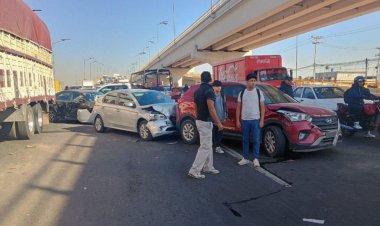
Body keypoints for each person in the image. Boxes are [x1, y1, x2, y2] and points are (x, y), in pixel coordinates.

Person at [188, 71, 223, 179]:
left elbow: (195, 107)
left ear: (202, 79)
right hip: (206, 122)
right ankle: (194, 170)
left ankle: (208, 167)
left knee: (208, 145)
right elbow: (211, 108)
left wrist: (198, 118)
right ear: (210, 79)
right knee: (205, 147)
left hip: (200, 120)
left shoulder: (197, 91)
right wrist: (218, 123)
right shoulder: (209, 91)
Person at [236, 71, 265, 167]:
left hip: (256, 120)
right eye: (251, 80)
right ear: (247, 82)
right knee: (245, 139)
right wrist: (237, 120)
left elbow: (262, 107)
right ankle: (245, 158)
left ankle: (256, 158)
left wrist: (261, 120)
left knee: (256, 140)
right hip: (245, 120)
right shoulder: (242, 93)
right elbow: (238, 107)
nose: (253, 82)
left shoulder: (258, 92)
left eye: (254, 81)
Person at [212, 80, 227, 154]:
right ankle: (215, 146)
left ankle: (217, 146)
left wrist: (225, 115)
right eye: (217, 86)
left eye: (220, 86)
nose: (219, 88)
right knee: (214, 133)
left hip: (221, 117)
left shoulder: (222, 95)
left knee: (220, 133)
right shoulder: (211, 96)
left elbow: (225, 105)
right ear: (213, 87)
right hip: (214, 119)